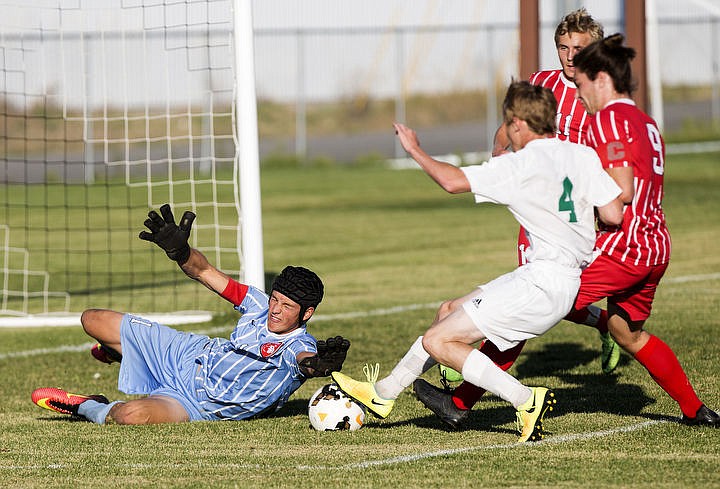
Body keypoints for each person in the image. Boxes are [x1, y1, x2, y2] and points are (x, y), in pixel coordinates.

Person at [417, 34, 720, 430]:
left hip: (621, 246)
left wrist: (575, 197)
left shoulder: (610, 118)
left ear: (600, 79)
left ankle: (459, 402)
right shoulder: (646, 122)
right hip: (656, 245)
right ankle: (696, 410)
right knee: (628, 333)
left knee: (526, 306)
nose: (577, 95)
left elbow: (619, 197)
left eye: (580, 86)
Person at [331, 80, 624, 443]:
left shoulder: (521, 165)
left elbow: (451, 181)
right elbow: (612, 213)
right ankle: (385, 394)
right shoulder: (580, 154)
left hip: (542, 284)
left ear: (517, 123)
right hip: (554, 279)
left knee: (439, 341)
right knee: (448, 310)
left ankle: (525, 400)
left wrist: (415, 149)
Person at [417, 8, 613, 430]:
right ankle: (464, 394)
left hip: (574, 212)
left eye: (579, 48)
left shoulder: (599, 96)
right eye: (563, 47)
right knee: (530, 299)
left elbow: (605, 161)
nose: (569, 55)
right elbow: (507, 131)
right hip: (535, 207)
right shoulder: (541, 84)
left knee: (534, 299)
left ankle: (464, 397)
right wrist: (499, 161)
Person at [31, 204, 350, 424]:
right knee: (91, 318)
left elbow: (304, 360)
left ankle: (89, 405)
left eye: (287, 306)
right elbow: (204, 272)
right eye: (275, 299)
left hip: (198, 404)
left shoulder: (298, 346)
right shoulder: (256, 303)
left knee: (129, 417)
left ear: (307, 313)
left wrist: (317, 366)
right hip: (187, 355)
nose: (275, 310)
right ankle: (121, 352)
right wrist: (180, 251)